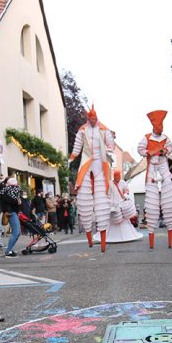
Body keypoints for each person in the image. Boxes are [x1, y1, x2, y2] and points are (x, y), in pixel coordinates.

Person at [69, 105, 116, 252]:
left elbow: (111, 145)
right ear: (88, 119)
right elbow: (77, 148)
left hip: (100, 163)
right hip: (87, 161)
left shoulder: (104, 129)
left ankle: (102, 242)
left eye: (94, 119)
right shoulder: (82, 130)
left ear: (97, 118)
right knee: (83, 198)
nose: (93, 121)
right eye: (91, 119)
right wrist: (71, 159)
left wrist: (109, 149)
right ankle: (89, 237)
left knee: (102, 202)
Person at [138, 110, 172, 249]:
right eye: (158, 127)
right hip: (152, 167)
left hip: (163, 165)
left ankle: (170, 236)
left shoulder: (165, 138)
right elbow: (140, 149)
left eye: (161, 127)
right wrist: (149, 152)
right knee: (151, 201)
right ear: (154, 127)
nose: (160, 130)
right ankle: (151, 239)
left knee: (168, 190)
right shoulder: (146, 138)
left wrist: (165, 151)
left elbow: (170, 147)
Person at [0, 176, 23, 257]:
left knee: (17, 232)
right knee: (16, 232)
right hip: (11, 212)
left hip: (12, 212)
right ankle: (8, 251)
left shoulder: (5, 190)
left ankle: (9, 250)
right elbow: (11, 201)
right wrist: (17, 201)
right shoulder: (8, 191)